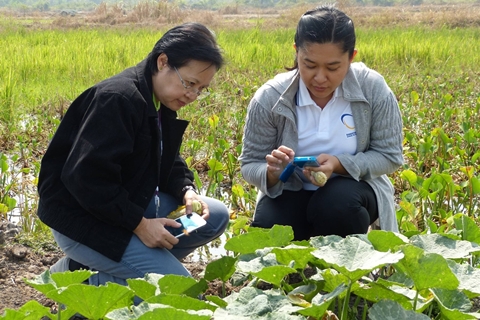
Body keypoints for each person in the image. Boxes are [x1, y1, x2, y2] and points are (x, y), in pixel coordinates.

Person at [37, 22, 230, 288]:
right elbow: (86, 180)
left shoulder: (158, 99)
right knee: (179, 290)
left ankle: (96, 268)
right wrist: (140, 225)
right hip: (84, 220)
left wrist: (187, 190)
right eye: (190, 83)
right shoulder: (118, 99)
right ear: (163, 62)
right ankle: (73, 285)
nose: (193, 95)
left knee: (212, 216)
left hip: (124, 206)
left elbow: (167, 158)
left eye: (201, 89)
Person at [239, 6, 403, 240]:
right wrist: (273, 173)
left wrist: (338, 164)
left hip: (352, 191)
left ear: (351, 57)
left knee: (337, 206)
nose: (320, 78)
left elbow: (389, 156)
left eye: (333, 68)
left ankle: (345, 263)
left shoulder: (373, 89)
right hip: (291, 191)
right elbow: (249, 164)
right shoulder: (270, 97)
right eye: (310, 65)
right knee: (269, 231)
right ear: (296, 53)